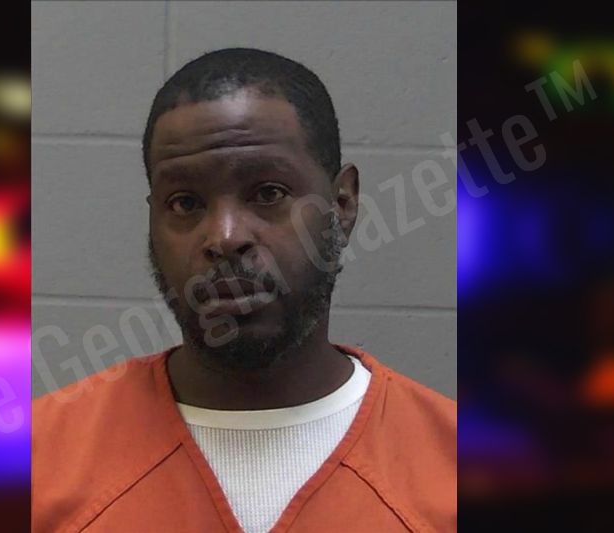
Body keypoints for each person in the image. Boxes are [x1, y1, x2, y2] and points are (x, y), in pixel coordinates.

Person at [33, 48, 456, 533]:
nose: (225, 236)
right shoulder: (37, 464)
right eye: (185, 202)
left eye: (268, 193)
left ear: (342, 204)